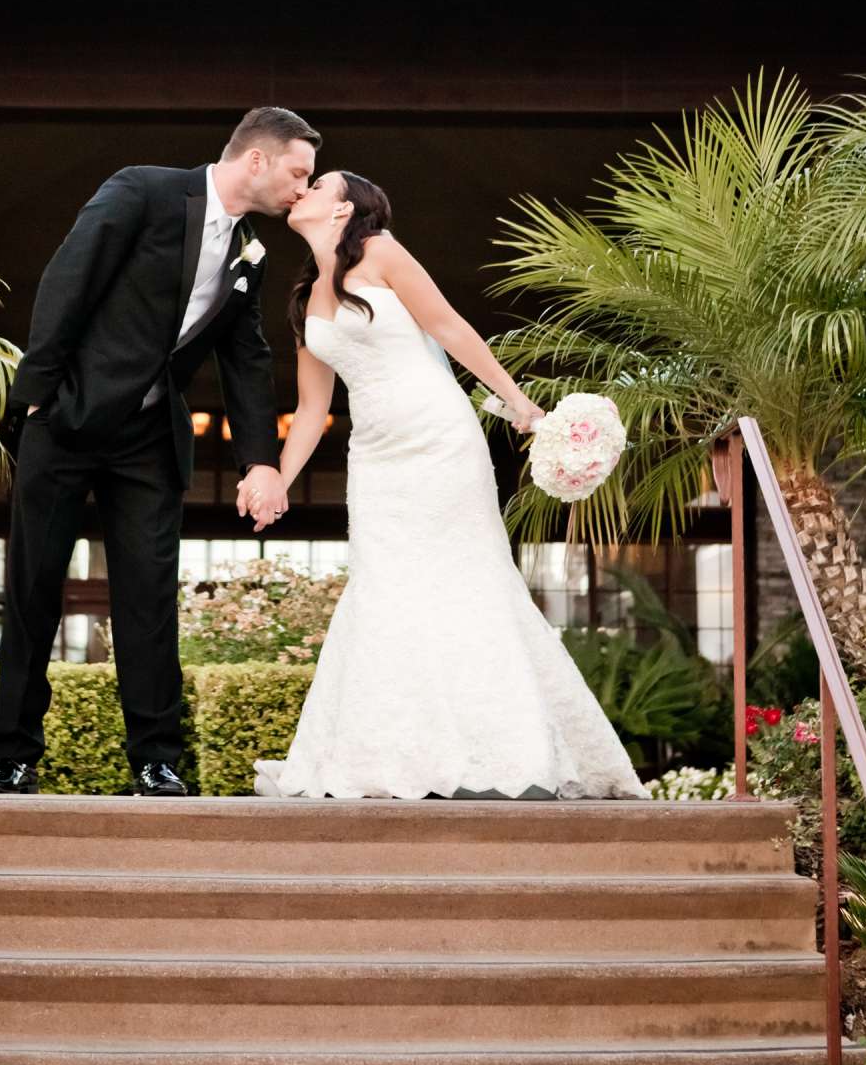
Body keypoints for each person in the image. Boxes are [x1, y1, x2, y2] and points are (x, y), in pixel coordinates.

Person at [254, 170, 646, 802]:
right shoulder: (303, 298)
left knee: (468, 577)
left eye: (317, 183)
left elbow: (451, 328)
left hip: (439, 438)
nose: (301, 189)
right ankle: (397, 753)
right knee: (384, 587)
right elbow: (309, 408)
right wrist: (280, 480)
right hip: (376, 458)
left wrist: (519, 404)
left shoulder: (379, 250)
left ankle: (508, 750)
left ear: (343, 208)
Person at [0, 106, 320, 798]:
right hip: (66, 423)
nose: (303, 188)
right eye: (298, 171)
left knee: (148, 601)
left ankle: (155, 761)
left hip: (150, 441)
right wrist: (36, 397)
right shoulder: (143, 190)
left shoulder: (250, 251)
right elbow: (68, 278)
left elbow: (246, 357)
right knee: (33, 589)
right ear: (256, 159)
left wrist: (260, 459)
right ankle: (13, 758)